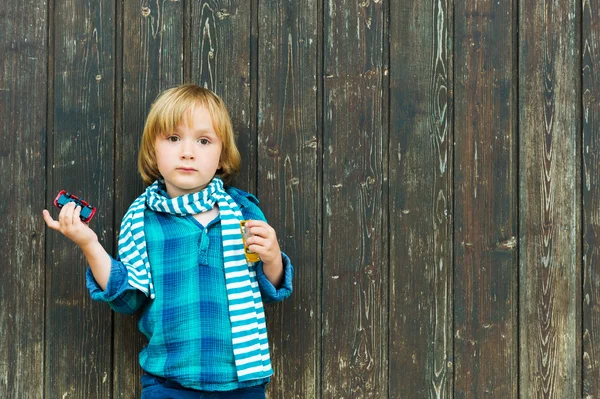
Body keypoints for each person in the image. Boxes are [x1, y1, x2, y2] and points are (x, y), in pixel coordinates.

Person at [42, 84, 294, 398]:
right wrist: (88, 243)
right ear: (153, 153)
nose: (187, 151)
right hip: (168, 381)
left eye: (203, 141)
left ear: (220, 158)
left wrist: (271, 258)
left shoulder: (242, 212)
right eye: (173, 138)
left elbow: (269, 288)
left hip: (242, 382)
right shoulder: (142, 220)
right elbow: (127, 298)